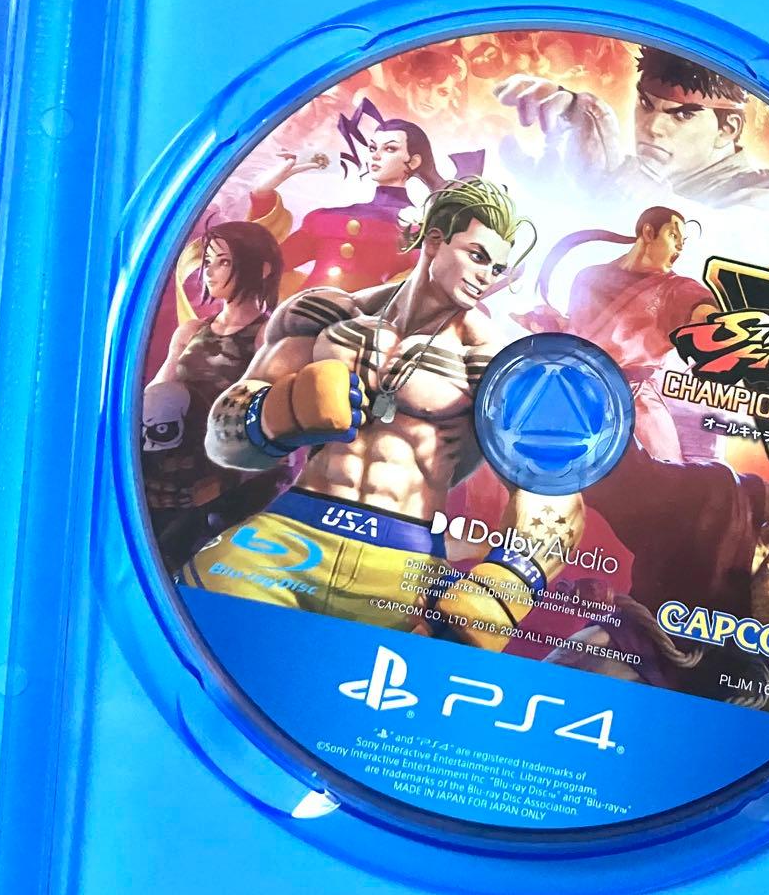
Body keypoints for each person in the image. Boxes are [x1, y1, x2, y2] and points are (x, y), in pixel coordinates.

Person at [181, 179, 583, 651]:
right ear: (434, 240)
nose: (485, 277)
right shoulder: (325, 316)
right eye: (477, 256)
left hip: (405, 566)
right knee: (197, 626)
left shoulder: (493, 363)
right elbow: (225, 439)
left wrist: (506, 587)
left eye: (496, 268)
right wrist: (276, 413)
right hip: (285, 536)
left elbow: (555, 493)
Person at [546, 442, 769, 717]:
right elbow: (626, 477)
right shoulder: (714, 493)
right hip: (636, 649)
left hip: (732, 690)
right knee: (548, 696)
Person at [495, 45, 769, 219]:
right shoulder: (641, 182)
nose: (652, 127)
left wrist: (613, 180)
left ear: (727, 129)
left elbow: (710, 243)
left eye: (681, 115)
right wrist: (560, 195)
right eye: (646, 104)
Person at [142, 221, 293, 572]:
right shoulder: (192, 330)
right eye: (207, 261)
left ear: (262, 268)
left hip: (221, 475)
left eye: (223, 262)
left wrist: (227, 482)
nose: (209, 271)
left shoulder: (269, 338)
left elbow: (276, 431)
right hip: (162, 465)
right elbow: (155, 396)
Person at [548, 206, 718, 461]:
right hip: (576, 395)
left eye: (683, 241)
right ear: (648, 233)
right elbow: (576, 332)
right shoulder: (588, 277)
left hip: (637, 403)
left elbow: (707, 317)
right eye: (673, 236)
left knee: (663, 476)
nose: (680, 247)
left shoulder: (677, 289)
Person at [248, 116, 451, 296]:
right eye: (372, 148)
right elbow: (267, 265)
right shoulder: (326, 219)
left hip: (364, 323)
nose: (376, 155)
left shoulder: (418, 230)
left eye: (390, 148)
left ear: (413, 162)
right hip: (295, 316)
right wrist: (262, 194)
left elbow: (430, 287)